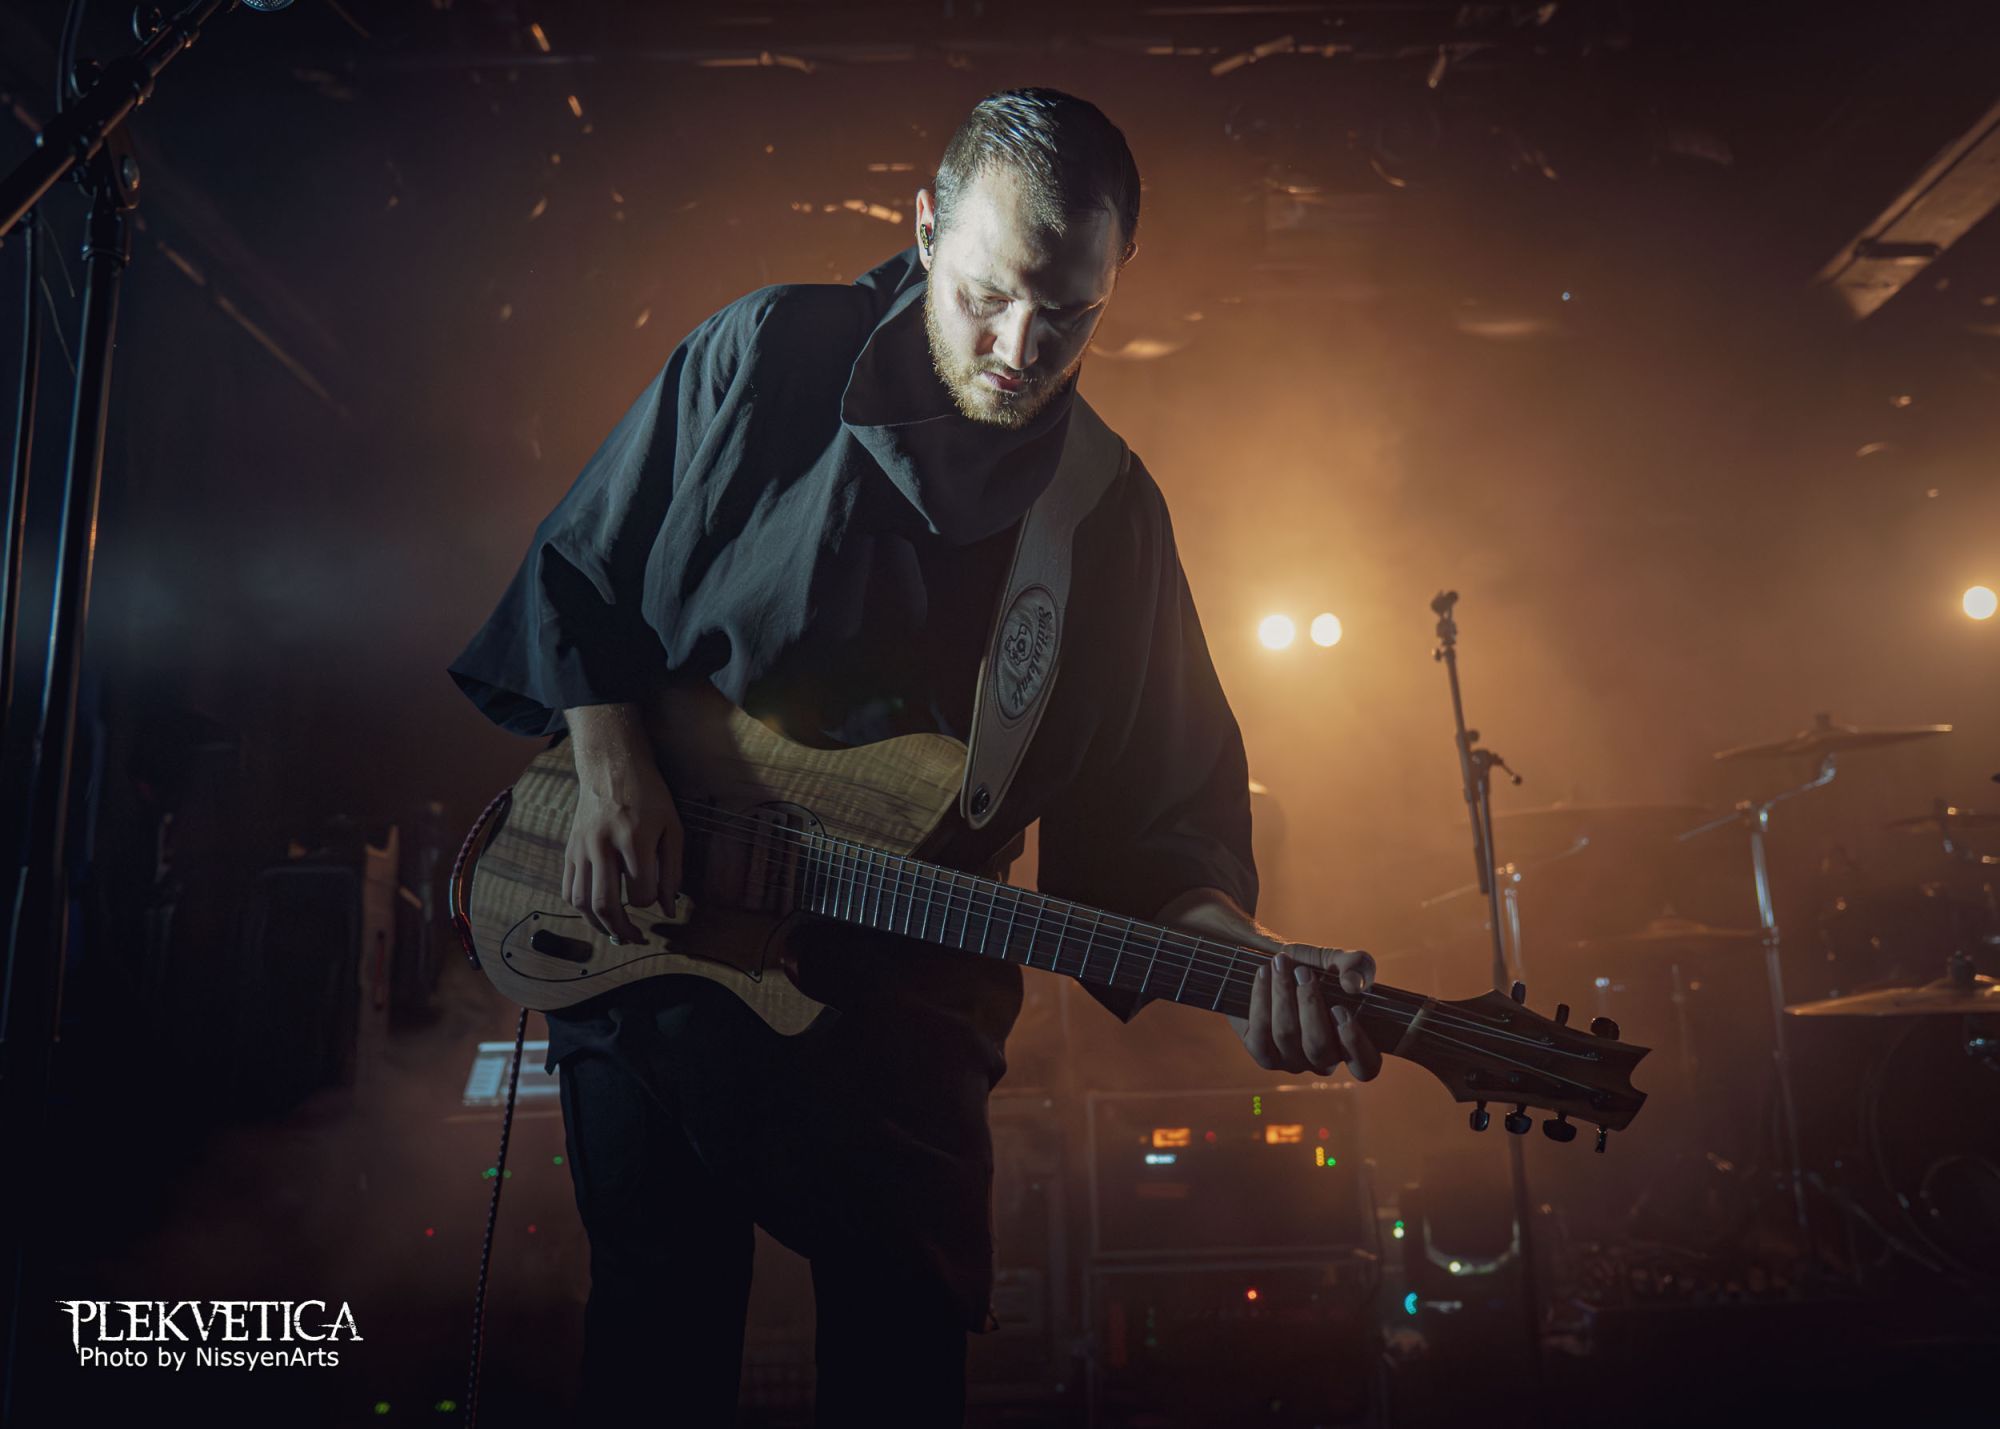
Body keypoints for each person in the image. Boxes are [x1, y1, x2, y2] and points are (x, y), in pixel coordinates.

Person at [448, 87, 1380, 1428]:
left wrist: (1251, 970)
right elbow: (580, 572)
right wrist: (611, 767)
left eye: (1070, 315)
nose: (1020, 348)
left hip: (904, 1007)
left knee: (904, 1361)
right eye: (989, 297)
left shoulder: (1108, 516)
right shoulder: (768, 349)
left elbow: (1153, 833)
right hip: (660, 933)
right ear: (927, 223)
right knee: (658, 1338)